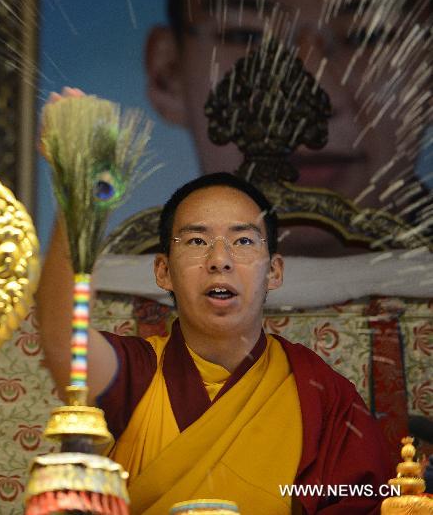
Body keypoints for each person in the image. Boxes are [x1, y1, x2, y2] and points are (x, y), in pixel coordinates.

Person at [38, 172, 390, 513]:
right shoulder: (135, 373)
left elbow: (365, 502)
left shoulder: (319, 393)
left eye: (244, 241)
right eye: (196, 241)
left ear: (274, 271)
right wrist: (80, 198)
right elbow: (64, 338)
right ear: (163, 271)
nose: (220, 260)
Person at [144, 0, 431, 256]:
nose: (307, 96)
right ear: (169, 74)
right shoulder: (101, 282)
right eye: (246, 35)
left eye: (369, 34)